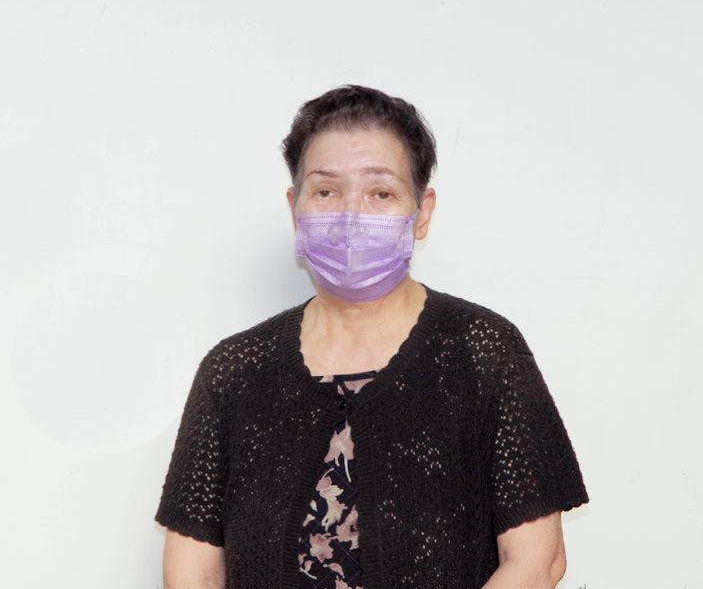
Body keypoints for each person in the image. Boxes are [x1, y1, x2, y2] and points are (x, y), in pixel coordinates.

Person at [156, 85, 588, 589]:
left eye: (380, 193)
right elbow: (192, 572)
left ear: (421, 212)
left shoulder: (481, 351)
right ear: (296, 209)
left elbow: (537, 561)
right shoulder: (235, 371)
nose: (350, 217)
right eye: (326, 191)